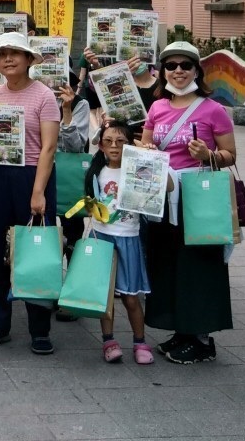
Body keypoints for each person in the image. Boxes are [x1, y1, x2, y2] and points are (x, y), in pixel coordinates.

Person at [139, 40, 237, 364]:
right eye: (171, 65)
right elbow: (145, 147)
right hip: (164, 196)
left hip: (198, 196)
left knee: (199, 266)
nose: (178, 71)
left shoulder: (213, 109)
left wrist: (207, 155)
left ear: (197, 70)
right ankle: (180, 330)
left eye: (185, 65)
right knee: (167, 264)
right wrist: (148, 153)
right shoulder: (157, 108)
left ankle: (201, 338)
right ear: (163, 71)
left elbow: (230, 155)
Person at [0, 32, 61, 353]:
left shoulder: (44, 95)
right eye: (2, 55)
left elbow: (49, 147)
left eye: (15, 53)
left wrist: (38, 192)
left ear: (28, 59)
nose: (8, 59)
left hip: (33, 177)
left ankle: (40, 330)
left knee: (35, 252)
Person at [84, 120, 153, 364]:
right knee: (104, 296)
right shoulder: (96, 171)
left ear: (130, 143)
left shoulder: (139, 168)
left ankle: (140, 342)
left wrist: (151, 158)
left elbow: (166, 186)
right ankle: (109, 341)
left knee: (131, 297)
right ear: (101, 146)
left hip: (128, 237)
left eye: (121, 141)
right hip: (101, 237)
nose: (114, 146)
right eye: (108, 141)